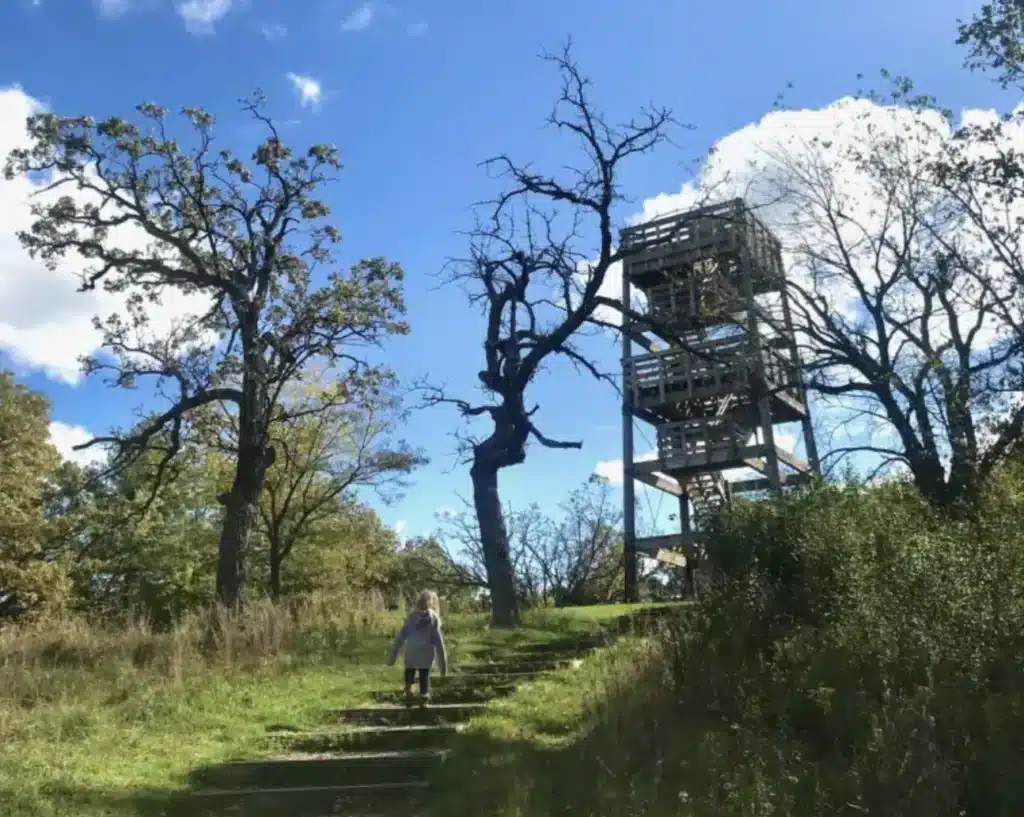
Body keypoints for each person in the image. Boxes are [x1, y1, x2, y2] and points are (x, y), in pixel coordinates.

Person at [386, 589, 448, 706]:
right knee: (424, 673)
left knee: (409, 669)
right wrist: (443, 668)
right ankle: (423, 695)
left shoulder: (411, 617)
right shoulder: (433, 618)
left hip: (411, 650)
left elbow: (400, 637)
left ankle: (408, 690)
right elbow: (439, 643)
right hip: (426, 652)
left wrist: (391, 658)